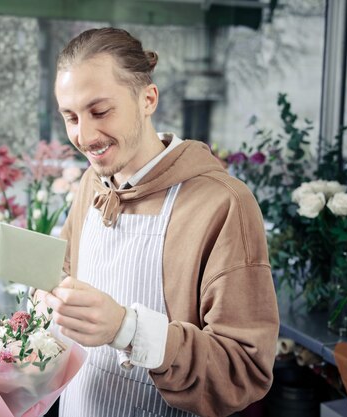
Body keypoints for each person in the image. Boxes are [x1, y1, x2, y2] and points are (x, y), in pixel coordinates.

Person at [36, 27, 280, 417]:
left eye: (100, 111)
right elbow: (64, 276)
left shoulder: (223, 203)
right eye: (70, 117)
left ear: (147, 99)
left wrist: (128, 330)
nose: (84, 135)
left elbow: (244, 371)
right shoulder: (91, 184)